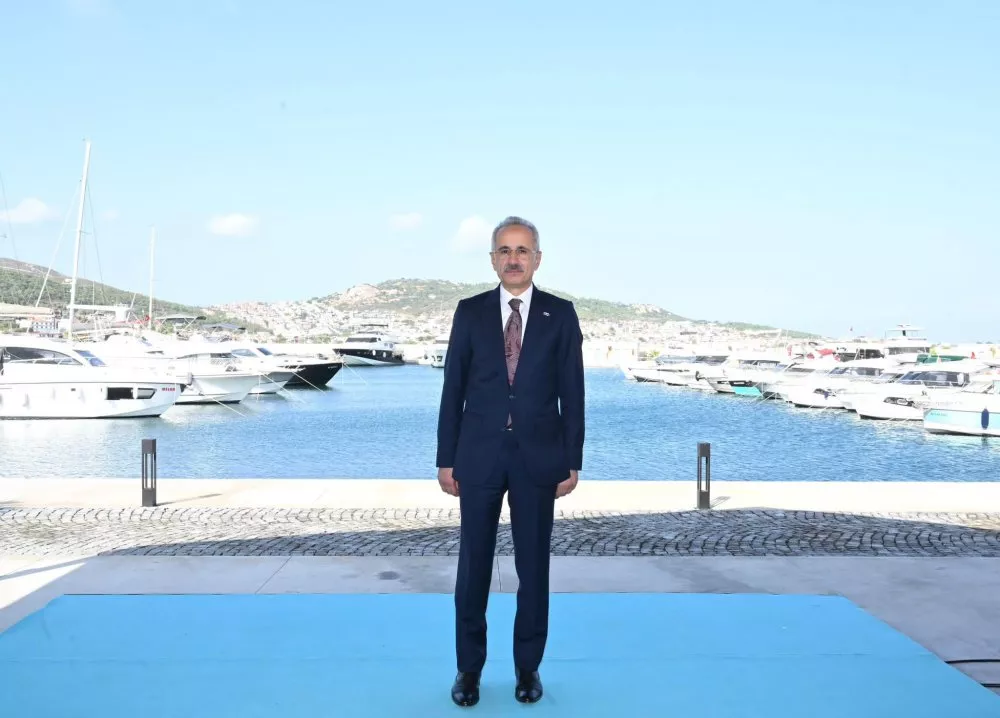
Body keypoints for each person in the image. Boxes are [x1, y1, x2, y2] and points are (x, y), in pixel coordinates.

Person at [436, 215, 585, 707]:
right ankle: (468, 670)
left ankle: (528, 668)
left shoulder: (561, 314)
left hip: (538, 458)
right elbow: (453, 389)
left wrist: (572, 459)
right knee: (472, 568)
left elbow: (573, 393)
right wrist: (446, 458)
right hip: (477, 456)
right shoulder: (470, 312)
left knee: (533, 569)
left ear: (537, 259)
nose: (514, 259)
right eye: (505, 250)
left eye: (523, 250)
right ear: (493, 259)